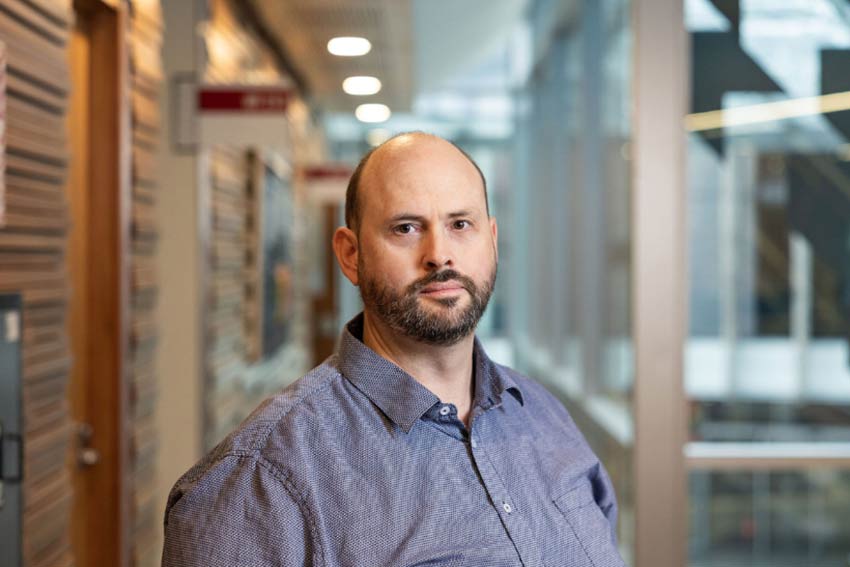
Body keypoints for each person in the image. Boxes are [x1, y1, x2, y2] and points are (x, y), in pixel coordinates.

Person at [161, 132, 626, 567]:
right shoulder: (261, 478)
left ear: (492, 240)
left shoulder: (544, 416)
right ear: (351, 255)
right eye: (406, 228)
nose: (439, 254)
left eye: (460, 224)